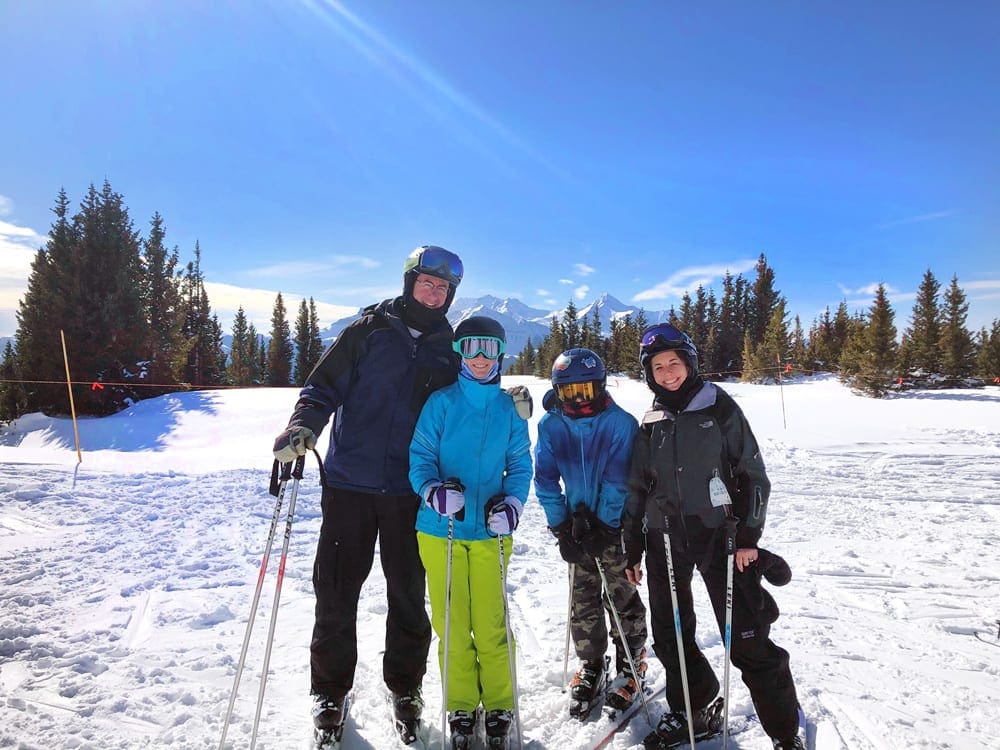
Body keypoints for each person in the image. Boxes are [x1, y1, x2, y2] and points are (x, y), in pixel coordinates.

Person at [271, 245, 464, 747]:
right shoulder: (368, 330)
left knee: (408, 596)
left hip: (410, 491)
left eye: (443, 288)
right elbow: (321, 389)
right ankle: (330, 692)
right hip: (349, 486)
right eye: (427, 282)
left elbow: (468, 403)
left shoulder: (450, 345)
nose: (435, 292)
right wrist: (303, 427)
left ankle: (406, 688)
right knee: (336, 593)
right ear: (409, 282)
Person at [622, 323, 804, 750]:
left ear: (690, 363)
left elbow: (753, 476)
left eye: (675, 363)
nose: (667, 373)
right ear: (649, 373)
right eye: (658, 367)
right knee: (671, 635)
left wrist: (748, 536)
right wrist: (632, 545)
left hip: (719, 539)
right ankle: (693, 710)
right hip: (663, 541)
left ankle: (783, 732)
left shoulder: (719, 408)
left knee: (746, 636)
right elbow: (636, 487)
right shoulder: (651, 420)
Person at [408, 316, 532, 750]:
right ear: (460, 352)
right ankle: (461, 703)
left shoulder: (509, 409)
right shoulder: (441, 404)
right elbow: (420, 455)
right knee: (452, 621)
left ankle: (499, 704)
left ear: (501, 354)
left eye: (490, 349)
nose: (481, 358)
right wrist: (431, 491)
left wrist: (513, 504)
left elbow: (520, 463)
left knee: (491, 620)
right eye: (472, 348)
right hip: (440, 528)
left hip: (491, 531)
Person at [534, 348, 648, 718]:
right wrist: (560, 525)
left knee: (621, 598)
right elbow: (546, 479)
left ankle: (631, 667)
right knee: (582, 597)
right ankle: (591, 664)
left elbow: (619, 480)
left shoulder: (620, 423)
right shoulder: (551, 426)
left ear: (600, 386)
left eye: (585, 390)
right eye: (569, 393)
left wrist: (604, 525)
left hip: (613, 528)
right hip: (576, 527)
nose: (578, 400)